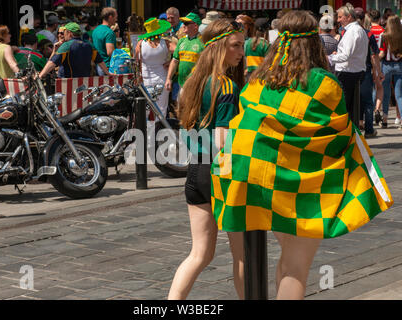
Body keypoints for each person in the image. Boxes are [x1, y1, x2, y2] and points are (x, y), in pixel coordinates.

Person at [211, 10, 393, 300]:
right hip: (299, 184)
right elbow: (338, 133)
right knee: (296, 266)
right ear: (314, 42)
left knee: (283, 258)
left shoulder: (259, 79)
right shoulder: (323, 83)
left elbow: (247, 122)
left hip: (252, 177)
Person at [168, 19, 246, 300]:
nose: (241, 52)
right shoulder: (225, 86)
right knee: (242, 256)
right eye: (235, 45)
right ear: (219, 47)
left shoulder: (192, 82)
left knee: (199, 253)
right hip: (220, 172)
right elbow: (223, 141)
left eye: (242, 45)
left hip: (196, 171)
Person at [329, 3, 368, 123]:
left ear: (349, 17)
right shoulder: (358, 30)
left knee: (345, 108)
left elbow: (346, 55)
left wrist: (329, 58)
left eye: (340, 17)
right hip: (354, 71)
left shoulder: (352, 32)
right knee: (351, 108)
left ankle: (347, 135)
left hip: (348, 73)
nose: (338, 20)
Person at [39, 22, 110, 78]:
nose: (63, 35)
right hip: (85, 83)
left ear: (69, 33)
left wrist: (40, 75)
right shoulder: (88, 45)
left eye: (64, 32)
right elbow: (100, 61)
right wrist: (108, 73)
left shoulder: (67, 46)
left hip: (68, 83)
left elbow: (52, 63)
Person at [135, 18, 172, 119]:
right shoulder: (166, 43)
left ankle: (149, 133)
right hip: (162, 80)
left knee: (147, 109)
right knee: (162, 109)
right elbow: (179, 52)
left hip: (147, 81)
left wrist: (139, 76)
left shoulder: (141, 43)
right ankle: (159, 132)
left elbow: (136, 61)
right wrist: (170, 61)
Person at [355, 7, 381, 138]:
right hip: (365, 69)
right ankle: (369, 130)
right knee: (368, 101)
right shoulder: (368, 34)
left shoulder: (344, 32)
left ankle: (355, 128)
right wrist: (378, 72)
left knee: (354, 100)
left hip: (350, 71)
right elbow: (374, 55)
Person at [165, 12, 204, 99]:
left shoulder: (203, 41)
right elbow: (175, 61)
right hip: (181, 84)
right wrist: (168, 78)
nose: (183, 25)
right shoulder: (181, 41)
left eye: (186, 23)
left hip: (197, 86)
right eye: (183, 23)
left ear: (195, 26)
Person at [379, 16, 402, 130]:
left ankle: (384, 120)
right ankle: (401, 121)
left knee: (386, 94)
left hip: (386, 66)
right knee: (399, 95)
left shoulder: (384, 36)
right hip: (399, 66)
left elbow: (382, 54)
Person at [369, 9, 385, 125]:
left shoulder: (367, 31)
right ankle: (377, 109)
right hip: (379, 62)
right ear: (380, 19)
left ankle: (368, 113)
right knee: (379, 87)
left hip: (368, 62)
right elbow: (383, 51)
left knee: (368, 88)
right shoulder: (383, 31)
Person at [92, 7, 117, 76]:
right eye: (115, 17)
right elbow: (110, 52)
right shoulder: (109, 32)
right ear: (110, 17)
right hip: (107, 66)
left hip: (98, 65)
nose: (116, 19)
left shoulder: (95, 30)